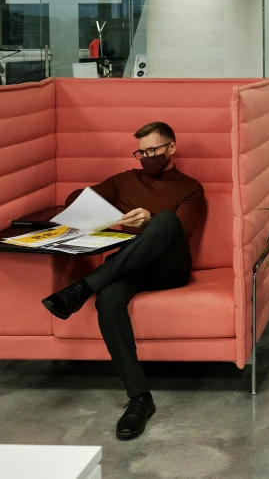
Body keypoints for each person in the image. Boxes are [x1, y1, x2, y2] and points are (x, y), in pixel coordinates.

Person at [40, 122, 206, 440]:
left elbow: (181, 232)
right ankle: (139, 398)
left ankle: (82, 288)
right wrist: (116, 218)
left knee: (167, 219)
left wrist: (150, 220)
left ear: (171, 148)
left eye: (152, 151)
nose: (145, 158)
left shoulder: (190, 187)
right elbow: (75, 199)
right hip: (128, 270)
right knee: (110, 298)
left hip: (170, 268)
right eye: (140, 152)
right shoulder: (125, 180)